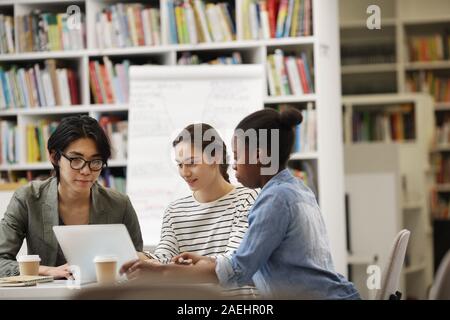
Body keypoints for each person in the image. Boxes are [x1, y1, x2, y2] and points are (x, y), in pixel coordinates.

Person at [120, 109, 360, 299]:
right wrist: (208, 262)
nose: (232, 165)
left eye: (237, 156)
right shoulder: (296, 189)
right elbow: (247, 261)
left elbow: (238, 270)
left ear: (258, 156)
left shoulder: (273, 199)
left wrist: (161, 273)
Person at [0, 115, 143, 279]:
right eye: (76, 159)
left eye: (95, 161)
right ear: (55, 157)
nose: (86, 170)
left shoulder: (119, 204)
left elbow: (138, 264)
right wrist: (47, 271)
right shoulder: (28, 198)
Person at [140, 123, 259, 297]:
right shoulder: (175, 211)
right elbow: (163, 257)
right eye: (180, 165)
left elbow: (233, 261)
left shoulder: (249, 199)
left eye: (191, 163)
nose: (185, 173)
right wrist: (139, 258)